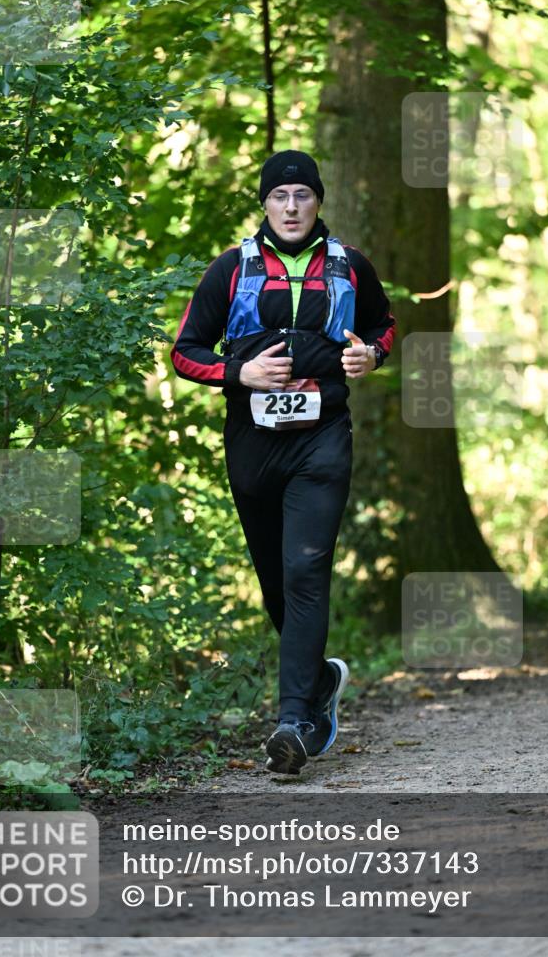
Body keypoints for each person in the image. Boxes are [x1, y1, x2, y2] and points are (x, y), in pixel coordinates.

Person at [171, 150, 396, 774]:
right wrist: (237, 372)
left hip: (322, 439)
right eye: (280, 197)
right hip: (253, 443)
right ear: (265, 204)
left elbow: (383, 326)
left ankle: (295, 720)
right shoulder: (232, 269)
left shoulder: (350, 267)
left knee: (305, 570)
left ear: (318, 201)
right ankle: (319, 678)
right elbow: (184, 352)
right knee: (276, 581)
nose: (292, 207)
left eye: (303, 195)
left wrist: (371, 358)